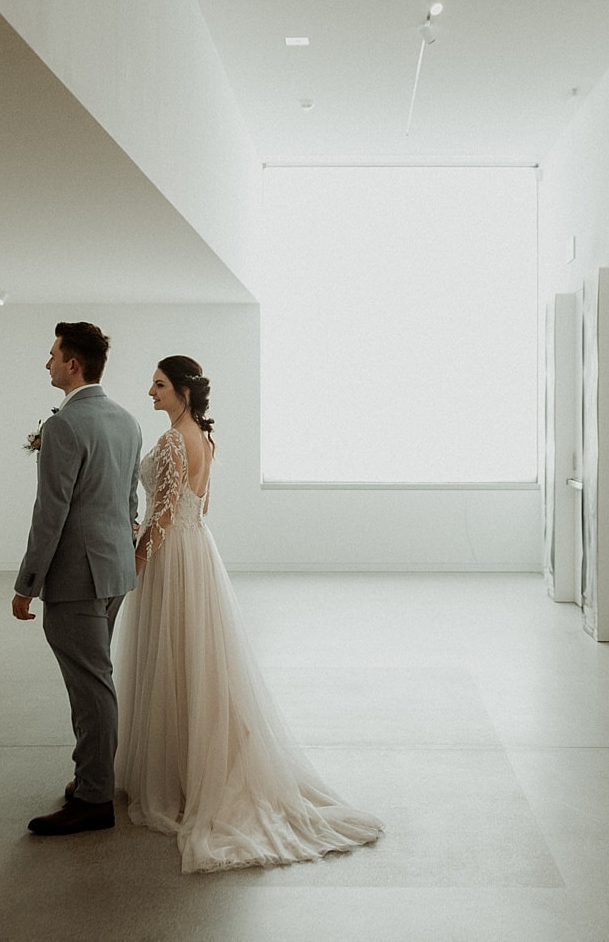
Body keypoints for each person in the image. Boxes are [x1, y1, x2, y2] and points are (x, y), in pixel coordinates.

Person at [114, 355, 383, 872]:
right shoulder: (204, 439)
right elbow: (200, 507)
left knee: (172, 661)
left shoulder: (173, 439)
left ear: (183, 392)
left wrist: (140, 554)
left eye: (160, 385)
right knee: (198, 662)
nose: (151, 392)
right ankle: (195, 767)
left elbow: (166, 511)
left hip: (173, 555)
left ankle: (174, 778)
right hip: (198, 552)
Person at [12, 322, 143, 836]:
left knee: (90, 686)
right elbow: (130, 499)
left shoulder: (65, 425)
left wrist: (28, 583)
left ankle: (94, 798)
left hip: (76, 576)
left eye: (52, 355)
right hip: (114, 570)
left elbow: (51, 512)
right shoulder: (127, 420)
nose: (46, 364)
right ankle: (91, 777)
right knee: (94, 679)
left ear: (73, 364)